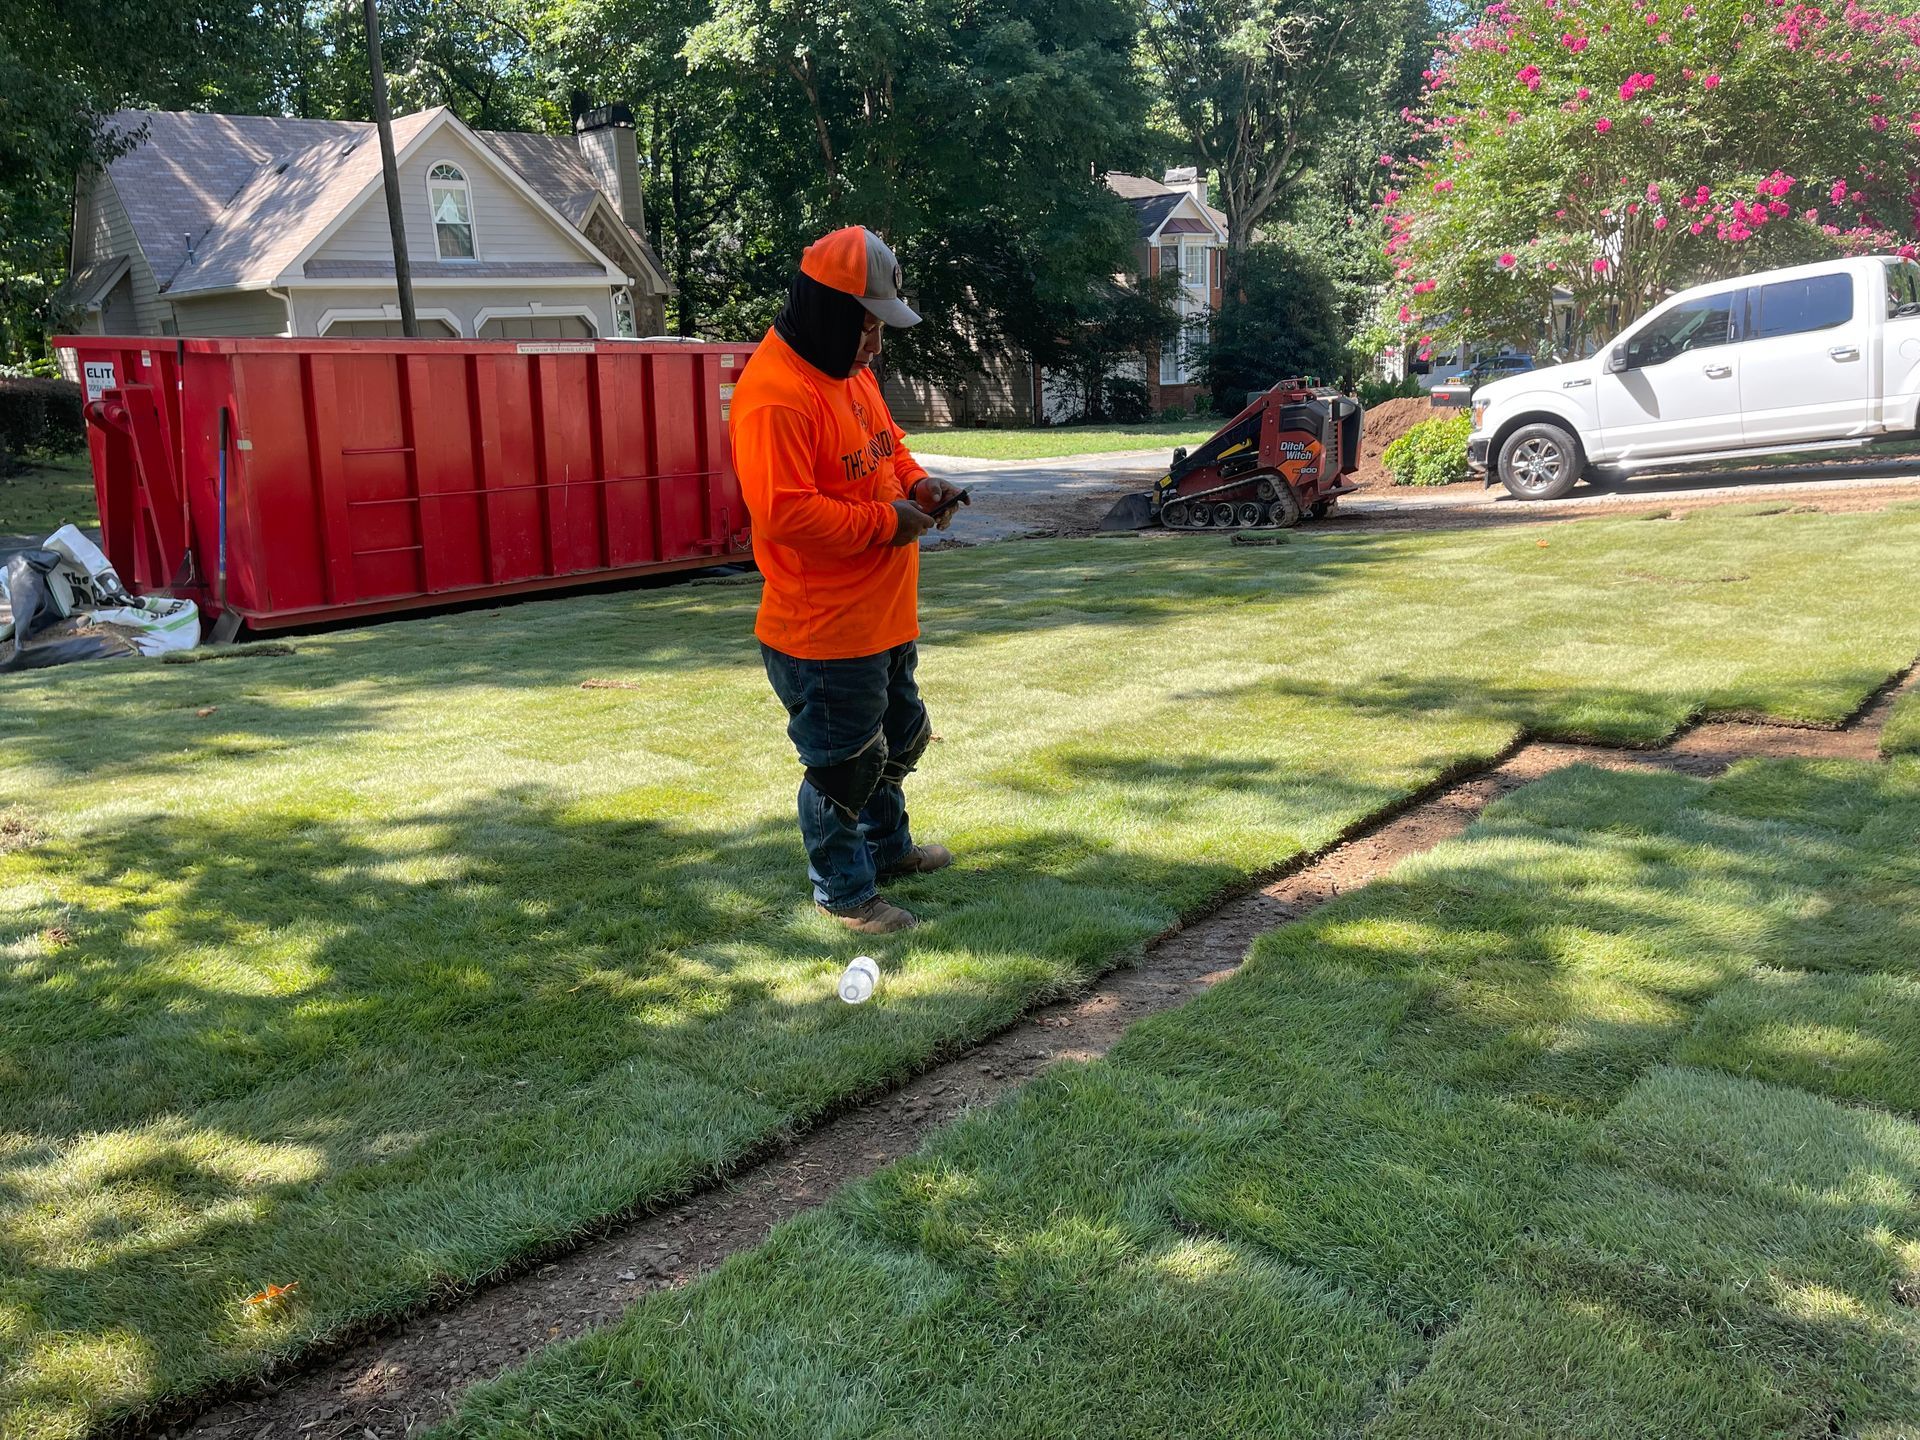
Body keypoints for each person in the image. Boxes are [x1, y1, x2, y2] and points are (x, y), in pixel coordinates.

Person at [730, 226, 965, 935]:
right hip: (824, 631)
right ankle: (844, 892)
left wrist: (922, 488)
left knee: (900, 739)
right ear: (830, 311)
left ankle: (888, 853)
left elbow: (887, 449)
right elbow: (785, 513)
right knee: (843, 768)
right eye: (868, 327)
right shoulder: (775, 395)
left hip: (884, 614)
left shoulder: (847, 370)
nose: (877, 345)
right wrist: (886, 523)